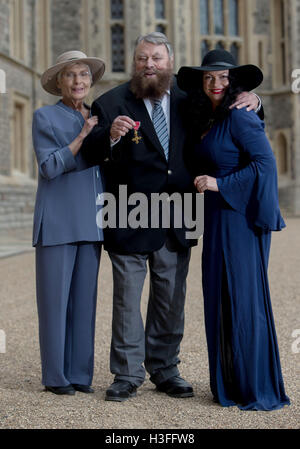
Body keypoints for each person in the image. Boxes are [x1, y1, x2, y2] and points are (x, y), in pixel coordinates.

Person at [83, 33, 260, 402]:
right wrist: (110, 138)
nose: (150, 64)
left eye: (157, 58)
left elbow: (230, 108)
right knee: (127, 299)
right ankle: (127, 374)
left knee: (170, 297)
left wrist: (256, 101)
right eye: (143, 57)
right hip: (128, 215)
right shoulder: (111, 101)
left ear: (169, 62)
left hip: (179, 214)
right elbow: (89, 146)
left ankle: (165, 368)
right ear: (134, 62)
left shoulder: (189, 99)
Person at [177, 49, 290, 410]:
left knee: (243, 300)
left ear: (234, 81)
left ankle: (255, 387)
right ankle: (231, 382)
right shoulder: (208, 118)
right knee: (220, 298)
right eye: (208, 77)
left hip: (238, 219)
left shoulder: (240, 116)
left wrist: (220, 184)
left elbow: (266, 165)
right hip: (217, 220)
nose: (215, 83)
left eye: (223, 77)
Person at [32, 51, 105, 395]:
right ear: (59, 81)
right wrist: (82, 137)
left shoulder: (99, 116)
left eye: (84, 75)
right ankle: (56, 377)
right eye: (71, 75)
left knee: (84, 304)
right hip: (58, 222)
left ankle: (79, 374)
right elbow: (48, 167)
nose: (79, 81)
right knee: (54, 302)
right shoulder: (44, 117)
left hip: (92, 222)